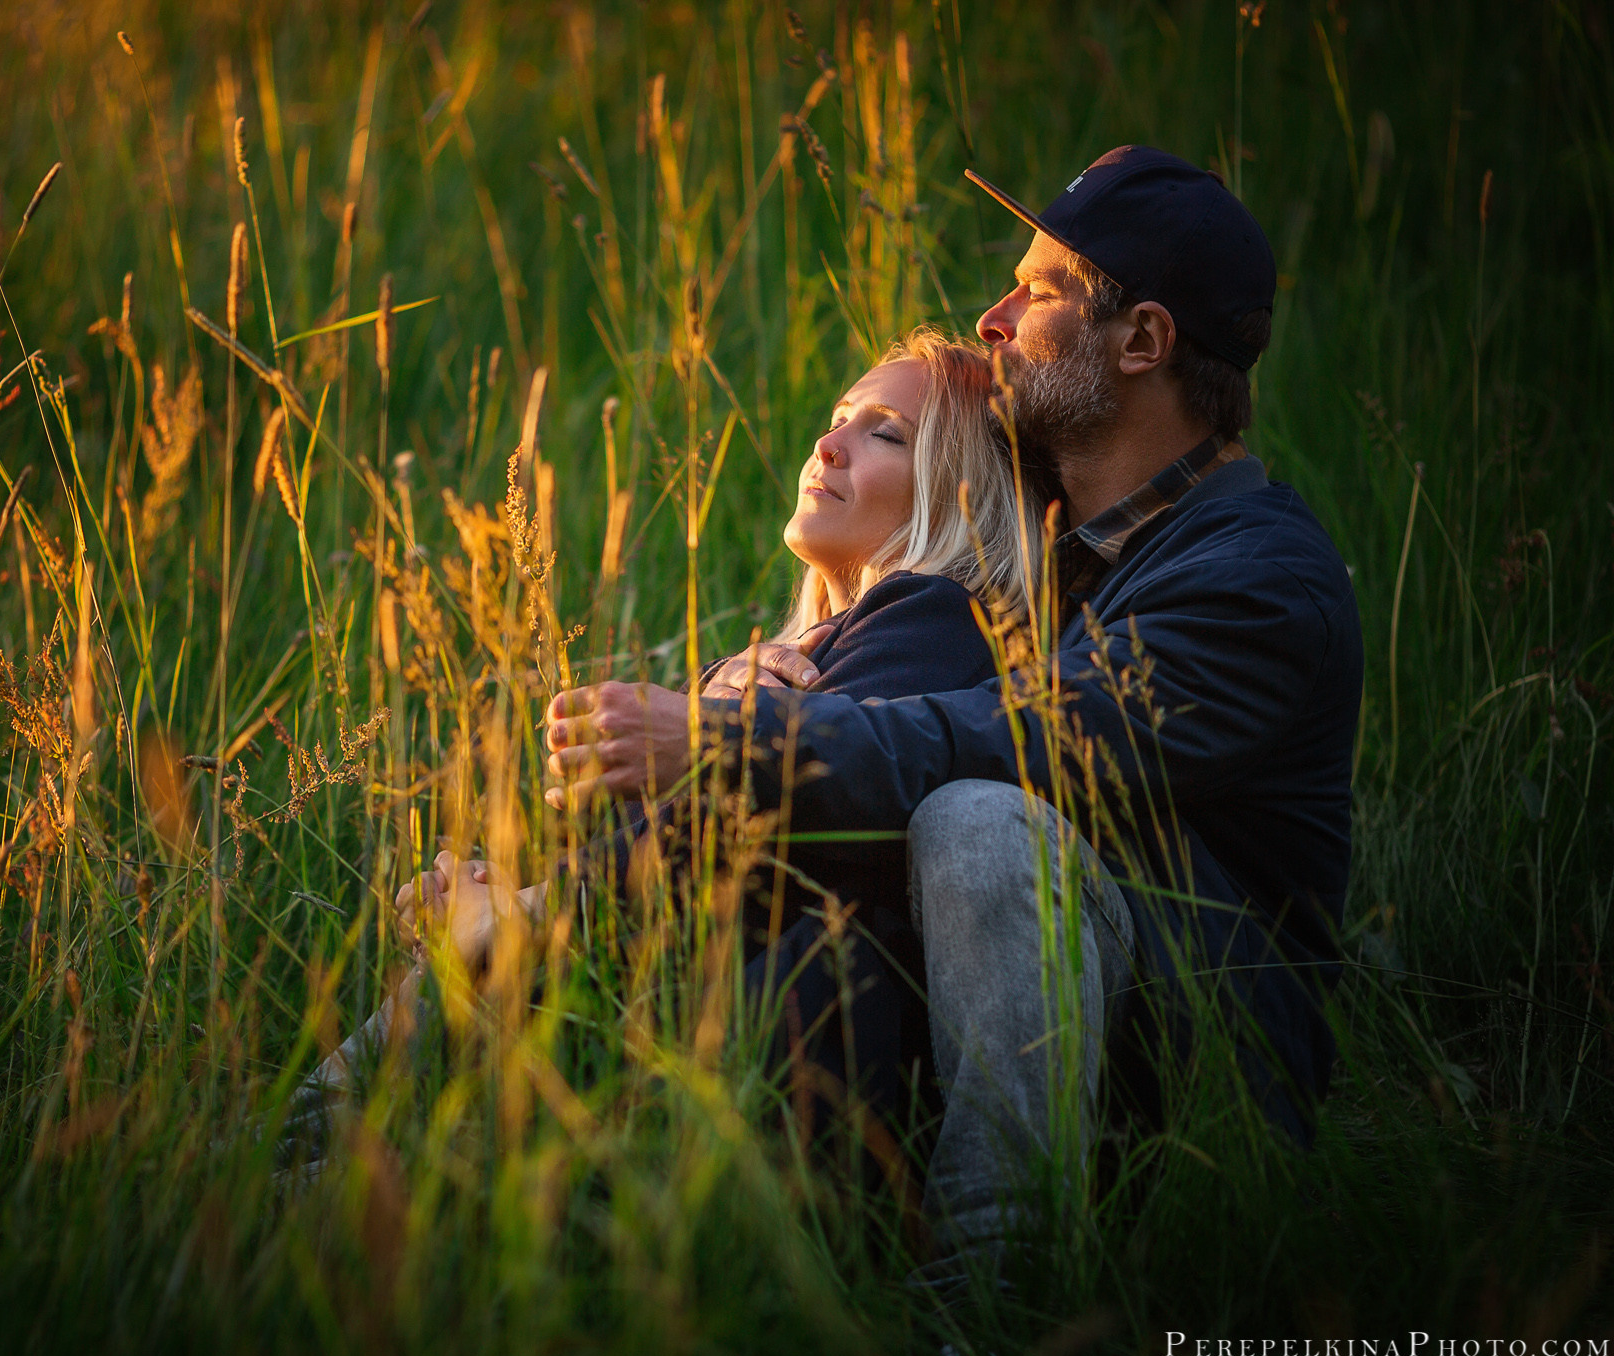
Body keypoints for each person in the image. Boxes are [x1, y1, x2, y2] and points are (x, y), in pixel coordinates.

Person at [539, 146, 1364, 1283]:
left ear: (1141, 343)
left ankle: (989, 1283)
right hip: (1032, 1010)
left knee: (980, 815)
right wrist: (760, 687)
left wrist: (736, 742)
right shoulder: (1054, 563)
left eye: (1038, 291)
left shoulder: (1255, 582)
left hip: (1200, 1075)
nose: (994, 315)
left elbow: (1028, 741)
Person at [319, 330, 1042, 1164]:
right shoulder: (799, 658)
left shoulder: (936, 616)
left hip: (786, 1076)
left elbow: (758, 824)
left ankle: (297, 1150)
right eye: (839, 416)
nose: (828, 444)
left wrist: (529, 913)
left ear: (961, 498)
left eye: (885, 433)